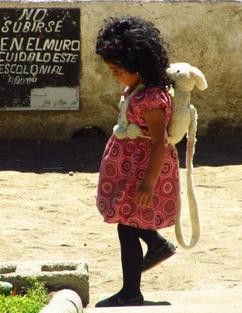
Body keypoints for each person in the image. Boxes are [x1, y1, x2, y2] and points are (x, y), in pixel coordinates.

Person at [94, 16, 180, 308]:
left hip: (142, 172)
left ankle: (131, 292)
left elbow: (158, 143)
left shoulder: (153, 100)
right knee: (127, 221)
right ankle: (155, 245)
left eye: (118, 70)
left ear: (138, 66)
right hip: (131, 171)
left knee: (127, 225)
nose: (115, 75)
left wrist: (149, 183)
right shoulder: (137, 90)